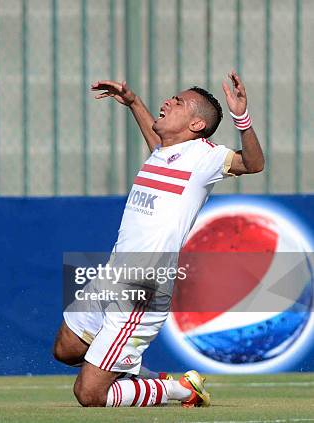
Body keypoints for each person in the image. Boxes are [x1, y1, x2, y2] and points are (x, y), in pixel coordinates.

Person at [53, 71, 264, 408]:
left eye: (177, 102)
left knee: (89, 394)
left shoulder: (205, 157)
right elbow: (159, 147)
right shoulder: (165, 153)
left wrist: (241, 116)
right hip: (114, 273)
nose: (168, 102)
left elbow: (253, 164)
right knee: (66, 349)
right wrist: (134, 102)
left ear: (196, 125)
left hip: (143, 286)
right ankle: (148, 379)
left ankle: (182, 391)